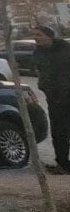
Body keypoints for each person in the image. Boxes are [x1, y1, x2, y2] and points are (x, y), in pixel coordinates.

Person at [33, 26, 70, 174]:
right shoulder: (38, 52)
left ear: (49, 36)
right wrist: (44, 86)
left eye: (39, 35)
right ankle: (62, 163)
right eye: (34, 35)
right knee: (59, 132)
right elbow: (41, 71)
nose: (36, 38)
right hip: (54, 98)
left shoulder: (64, 49)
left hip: (67, 95)